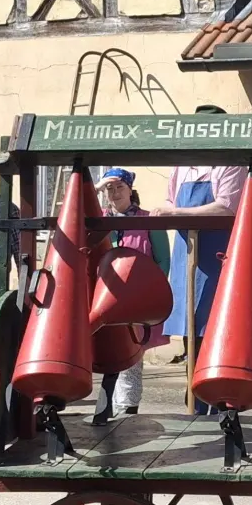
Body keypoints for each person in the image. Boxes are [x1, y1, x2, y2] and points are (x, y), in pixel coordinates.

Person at [153, 105, 244, 413]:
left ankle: (217, 397)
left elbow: (225, 207)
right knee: (189, 327)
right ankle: (194, 393)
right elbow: (169, 200)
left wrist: (177, 212)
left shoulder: (230, 165)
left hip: (217, 255)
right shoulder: (183, 166)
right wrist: (167, 211)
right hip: (185, 252)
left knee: (216, 326)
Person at [93, 168, 169, 425]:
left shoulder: (147, 221)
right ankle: (104, 409)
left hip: (136, 303)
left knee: (131, 359)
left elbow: (162, 262)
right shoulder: (98, 220)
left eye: (119, 188)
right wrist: (95, 188)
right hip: (104, 302)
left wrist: (149, 297)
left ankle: (126, 410)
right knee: (107, 355)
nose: (114, 194)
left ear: (130, 190)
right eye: (109, 189)